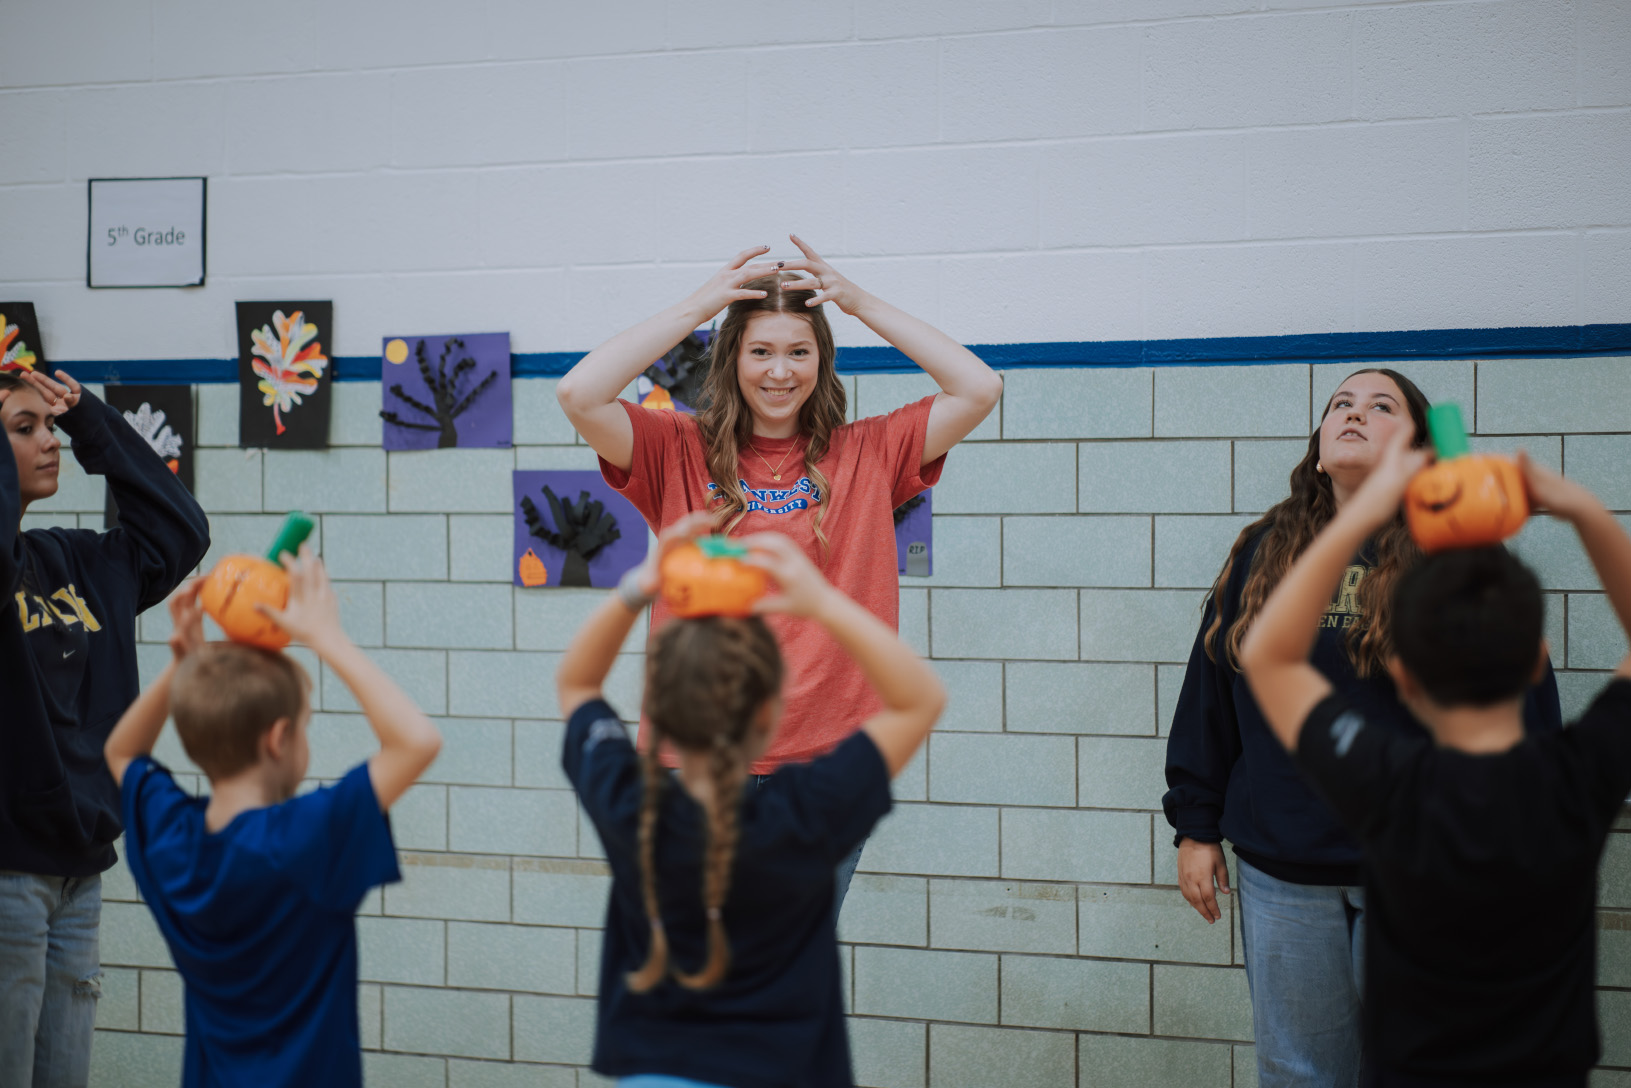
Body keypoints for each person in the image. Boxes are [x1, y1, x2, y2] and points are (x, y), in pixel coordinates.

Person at [556, 236, 999, 905]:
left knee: (784, 974)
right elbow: (578, 393)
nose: (779, 371)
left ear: (822, 361)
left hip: (827, 772)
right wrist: (699, 306)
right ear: (732, 358)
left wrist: (856, 302)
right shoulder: (678, 449)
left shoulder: (869, 452)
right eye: (759, 350)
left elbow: (978, 386)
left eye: (799, 351)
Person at [1162, 368, 1562, 1087]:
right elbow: (1209, 695)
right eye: (1339, 405)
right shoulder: (1262, 551)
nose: (1353, 414)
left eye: (1382, 407)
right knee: (1298, 1072)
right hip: (1281, 869)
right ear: (1317, 447)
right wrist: (1195, 828)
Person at [1238, 429, 1631, 1086]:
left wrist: (1362, 510)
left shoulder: (1387, 783)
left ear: (1404, 674)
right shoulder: (1576, 776)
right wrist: (1581, 508)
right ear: (1536, 661)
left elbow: (1268, 656)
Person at [558, 512, 946, 1087]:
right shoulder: (808, 811)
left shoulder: (628, 804)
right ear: (769, 715)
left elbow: (577, 685)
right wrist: (822, 601)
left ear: (655, 709)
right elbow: (919, 700)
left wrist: (642, 582)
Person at [103, 549, 442, 1087]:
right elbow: (417, 742)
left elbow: (122, 753)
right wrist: (327, 636)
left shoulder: (173, 841)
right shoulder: (307, 838)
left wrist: (180, 670)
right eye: (303, 727)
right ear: (279, 738)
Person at [0, 368, 209, 1087]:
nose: (47, 443)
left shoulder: (77, 560)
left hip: (79, 872)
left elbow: (179, 529)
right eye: (22, 431)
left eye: (47, 426)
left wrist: (89, 418)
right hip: (6, 873)